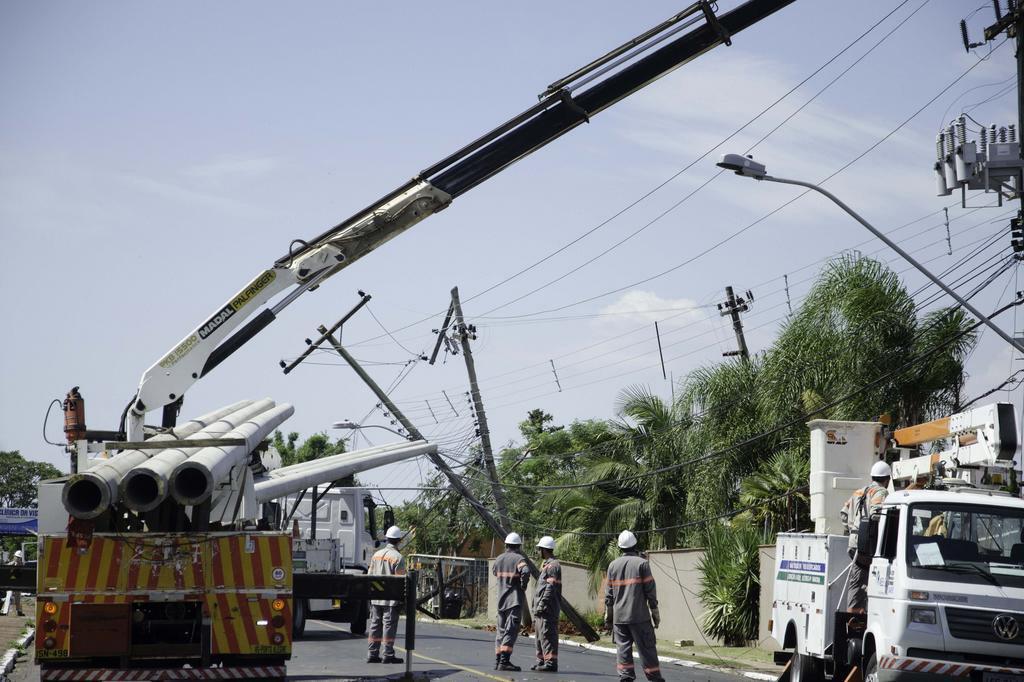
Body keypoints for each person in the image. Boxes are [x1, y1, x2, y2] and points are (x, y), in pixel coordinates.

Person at [604, 530, 664, 682]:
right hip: (639, 617)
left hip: (619, 618)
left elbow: (609, 596)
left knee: (623, 649)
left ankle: (626, 677)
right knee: (647, 648)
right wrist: (655, 614)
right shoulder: (642, 564)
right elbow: (650, 591)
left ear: (620, 547)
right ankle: (654, 678)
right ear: (635, 545)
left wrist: (609, 617)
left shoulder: (612, 566)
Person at [839, 460, 891, 612]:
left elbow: (843, 513)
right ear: (887, 479)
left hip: (854, 544)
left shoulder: (859, 491)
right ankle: (857, 619)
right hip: (867, 546)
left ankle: (856, 617)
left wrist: (852, 530)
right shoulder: (881, 492)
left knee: (857, 582)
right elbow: (877, 514)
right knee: (872, 582)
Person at [366, 526, 406, 664]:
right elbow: (401, 582)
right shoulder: (398, 558)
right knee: (388, 625)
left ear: (387, 538)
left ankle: (372, 653)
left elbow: (369, 576)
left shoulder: (376, 555)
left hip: (376, 598)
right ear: (399, 540)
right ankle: (388, 654)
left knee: (375, 625)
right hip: (390, 600)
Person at [492, 531, 531, 672]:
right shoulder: (519, 559)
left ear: (506, 545)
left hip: (501, 601)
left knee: (500, 631)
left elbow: (495, 572)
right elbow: (526, 572)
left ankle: (498, 661)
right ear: (518, 546)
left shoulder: (498, 559)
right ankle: (505, 661)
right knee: (511, 630)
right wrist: (523, 585)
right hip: (514, 601)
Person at [531, 536, 561, 673]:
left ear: (544, 550)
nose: (538, 552)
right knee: (540, 636)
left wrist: (542, 604)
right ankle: (541, 661)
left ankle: (550, 663)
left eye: (539, 549)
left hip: (547, 609)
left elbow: (550, 588)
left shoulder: (553, 565)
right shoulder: (546, 565)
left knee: (547, 635)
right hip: (541, 609)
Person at [6, 550, 24, 617]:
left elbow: (22, 573)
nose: (17, 558)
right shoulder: (11, 563)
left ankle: (19, 611)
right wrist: (13, 566)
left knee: (18, 598)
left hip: (17, 584)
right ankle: (5, 611)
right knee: (8, 597)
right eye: (17, 557)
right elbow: (6, 571)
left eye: (19, 557)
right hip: (11, 583)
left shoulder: (22, 564)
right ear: (14, 557)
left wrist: (18, 566)